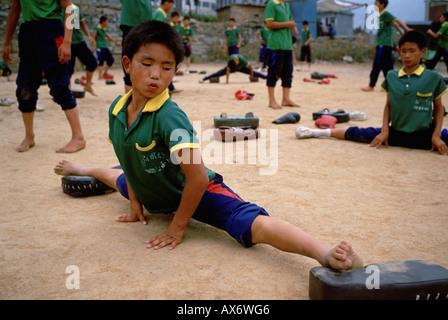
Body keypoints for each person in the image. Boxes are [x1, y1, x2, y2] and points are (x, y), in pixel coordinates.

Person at [56, 20, 363, 270]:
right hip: (152, 187)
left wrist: (177, 227)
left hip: (196, 192)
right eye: (146, 63)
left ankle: (321, 251)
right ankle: (85, 168)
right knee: (117, 177)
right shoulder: (117, 111)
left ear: (175, 70)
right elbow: (126, 161)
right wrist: (136, 203)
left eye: (166, 67)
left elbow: (198, 179)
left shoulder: (169, 118)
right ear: (127, 63)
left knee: (253, 225)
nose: (155, 75)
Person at [296, 31, 448, 156]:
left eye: (412, 51)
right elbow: (389, 105)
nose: (407, 56)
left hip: (425, 136)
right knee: (358, 133)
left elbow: (439, 108)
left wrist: (436, 135)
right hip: (395, 134)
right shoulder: (391, 76)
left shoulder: (432, 78)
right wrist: (384, 130)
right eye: (403, 51)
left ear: (423, 52)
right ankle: (315, 132)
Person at [2, 0, 86, 153]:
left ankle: (78, 137)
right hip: (27, 32)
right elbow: (15, 10)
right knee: (24, 89)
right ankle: (29, 136)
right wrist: (6, 42)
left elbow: (69, 8)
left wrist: (67, 42)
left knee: (59, 86)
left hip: (50, 30)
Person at [362, 0, 410, 92]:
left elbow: (397, 20)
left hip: (383, 44)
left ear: (382, 4)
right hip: (386, 44)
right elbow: (394, 25)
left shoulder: (385, 14)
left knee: (377, 64)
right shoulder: (381, 15)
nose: (374, 5)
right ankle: (390, 86)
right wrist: (402, 34)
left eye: (376, 3)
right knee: (387, 66)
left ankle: (371, 85)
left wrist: (407, 30)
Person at [264, 0, 300, 109]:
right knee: (274, 71)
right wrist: (287, 24)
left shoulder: (286, 5)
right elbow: (269, 24)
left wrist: (294, 28)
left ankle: (286, 99)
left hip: (287, 44)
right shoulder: (271, 4)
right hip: (276, 45)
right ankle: (272, 100)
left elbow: (290, 20)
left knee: (288, 72)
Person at [119, 0, 153, 93]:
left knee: (148, 60)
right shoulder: (74, 9)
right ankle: (131, 102)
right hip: (132, 25)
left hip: (146, 26)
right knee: (130, 64)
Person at [68, 3, 98, 96]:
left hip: (78, 42)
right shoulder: (57, 8)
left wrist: (89, 36)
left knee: (92, 63)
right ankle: (66, 91)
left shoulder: (75, 8)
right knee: (68, 69)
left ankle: (88, 85)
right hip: (65, 44)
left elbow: (81, 24)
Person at [153, 0, 180, 94]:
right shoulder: (160, 13)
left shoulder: (159, 13)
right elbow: (158, 31)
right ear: (166, 3)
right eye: (171, 5)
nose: (171, 8)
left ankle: (170, 87)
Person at [199, 53, 267, 84]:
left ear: (237, 62)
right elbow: (228, 70)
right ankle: (204, 79)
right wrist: (227, 81)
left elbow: (250, 66)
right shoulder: (230, 60)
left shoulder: (241, 59)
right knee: (218, 73)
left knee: (256, 73)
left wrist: (251, 75)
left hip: (242, 67)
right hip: (232, 67)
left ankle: (267, 77)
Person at [93, 16, 121, 80]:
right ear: (103, 22)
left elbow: (109, 37)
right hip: (99, 47)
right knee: (101, 61)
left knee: (111, 60)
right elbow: (93, 39)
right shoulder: (96, 28)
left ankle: (105, 73)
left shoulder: (104, 29)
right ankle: (100, 76)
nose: (107, 22)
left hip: (105, 47)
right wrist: (93, 47)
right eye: (106, 21)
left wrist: (116, 42)